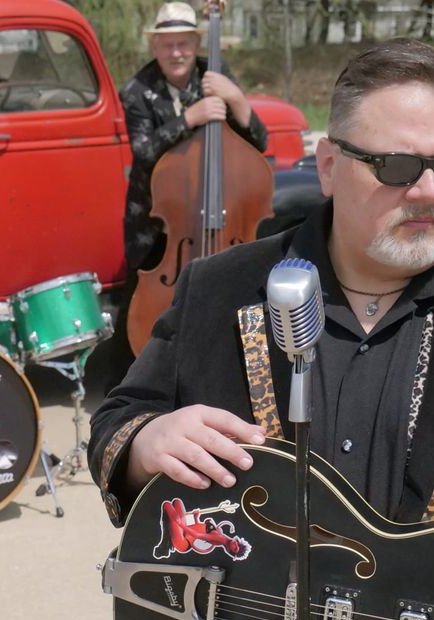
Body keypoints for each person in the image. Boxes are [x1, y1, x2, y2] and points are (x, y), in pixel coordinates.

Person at [89, 38, 434, 620]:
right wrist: (146, 442)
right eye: (395, 166)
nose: (427, 191)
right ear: (330, 165)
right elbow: (124, 414)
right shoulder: (220, 290)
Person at [106, 1, 270, 391]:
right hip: (160, 225)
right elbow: (144, 152)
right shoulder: (137, 91)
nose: (176, 52)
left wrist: (237, 100)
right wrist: (189, 119)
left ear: (197, 43)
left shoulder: (214, 75)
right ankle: (137, 387)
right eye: (168, 45)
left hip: (220, 216)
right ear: (155, 48)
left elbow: (257, 142)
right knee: (142, 312)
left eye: (184, 43)